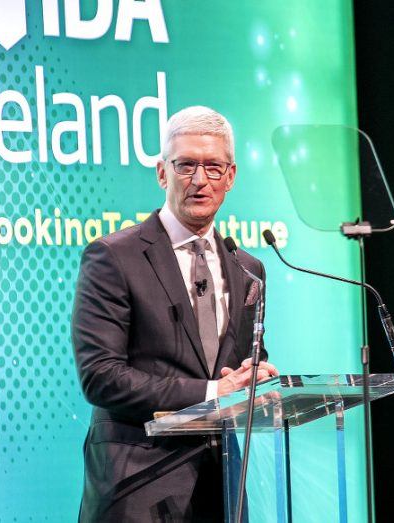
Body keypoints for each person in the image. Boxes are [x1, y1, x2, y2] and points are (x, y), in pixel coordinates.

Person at [72, 106, 278, 522]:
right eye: (186, 165)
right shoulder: (114, 257)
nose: (200, 180)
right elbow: (100, 377)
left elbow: (236, 367)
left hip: (220, 488)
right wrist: (210, 393)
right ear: (162, 173)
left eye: (213, 167)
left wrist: (254, 381)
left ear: (231, 177)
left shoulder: (247, 267)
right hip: (137, 487)